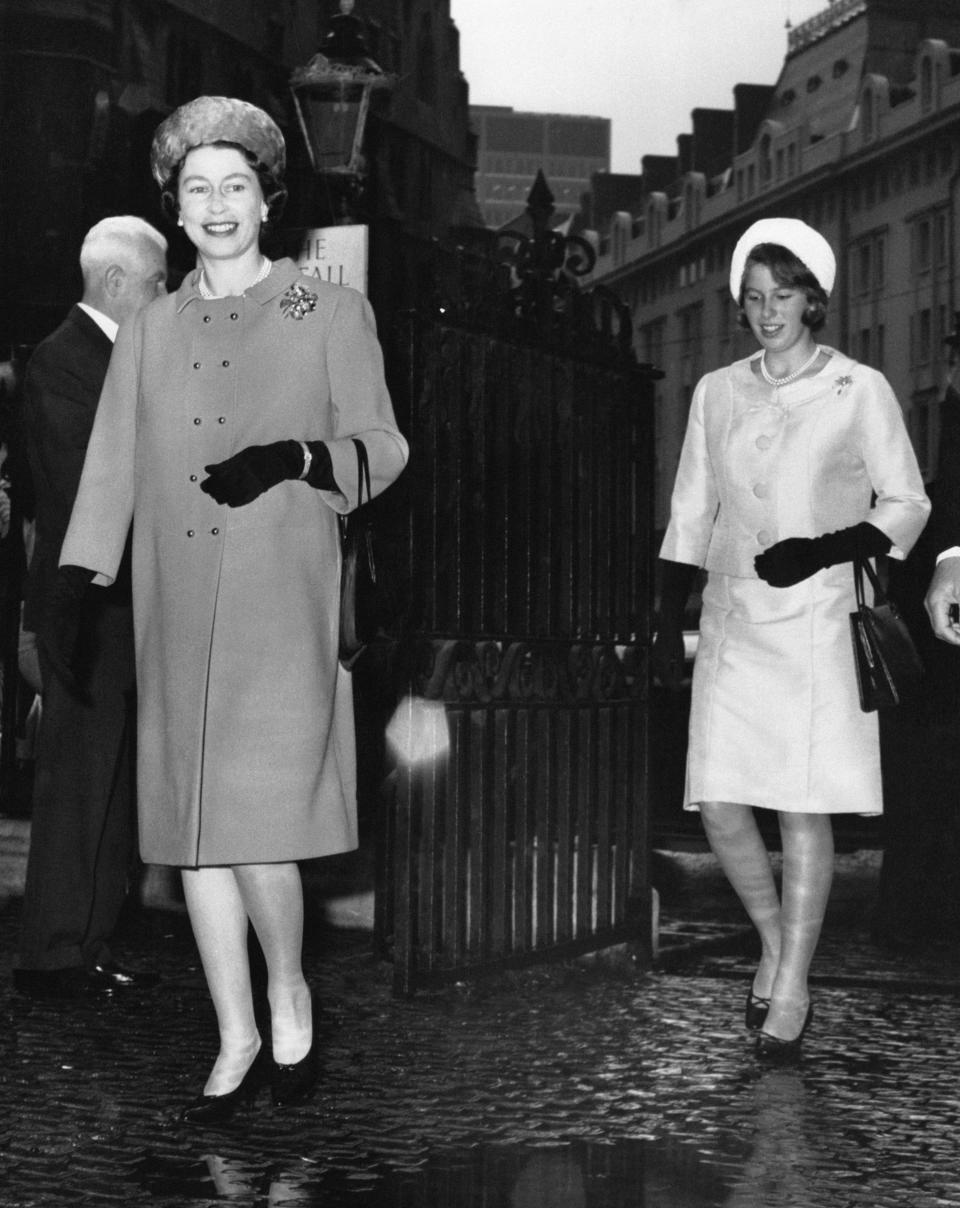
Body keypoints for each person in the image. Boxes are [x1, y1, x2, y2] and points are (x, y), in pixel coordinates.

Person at [56, 96, 408, 1121]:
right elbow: (112, 465)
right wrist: (79, 587)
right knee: (189, 832)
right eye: (197, 189)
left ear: (269, 199)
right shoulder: (150, 329)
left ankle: (289, 989)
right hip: (174, 602)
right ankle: (235, 1031)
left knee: (258, 831)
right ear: (173, 207)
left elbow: (383, 446)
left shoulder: (324, 308)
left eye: (237, 186)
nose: (218, 206)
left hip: (276, 601)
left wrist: (298, 457)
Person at [653, 217, 929, 1059]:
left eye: (785, 296)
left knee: (803, 810)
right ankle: (773, 938)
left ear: (815, 298)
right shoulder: (717, 390)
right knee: (724, 805)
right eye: (753, 298)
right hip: (736, 620)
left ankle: (795, 981)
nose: (769, 312)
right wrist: (669, 612)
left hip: (815, 620)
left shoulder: (860, 388)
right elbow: (692, 507)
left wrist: (827, 547)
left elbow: (906, 502)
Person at [13, 217, 168, 999]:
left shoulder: (120, 358)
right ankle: (50, 954)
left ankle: (92, 942)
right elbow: (86, 492)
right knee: (78, 785)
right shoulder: (62, 361)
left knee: (118, 787)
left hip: (125, 608)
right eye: (155, 282)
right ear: (116, 283)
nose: (164, 294)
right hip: (86, 610)